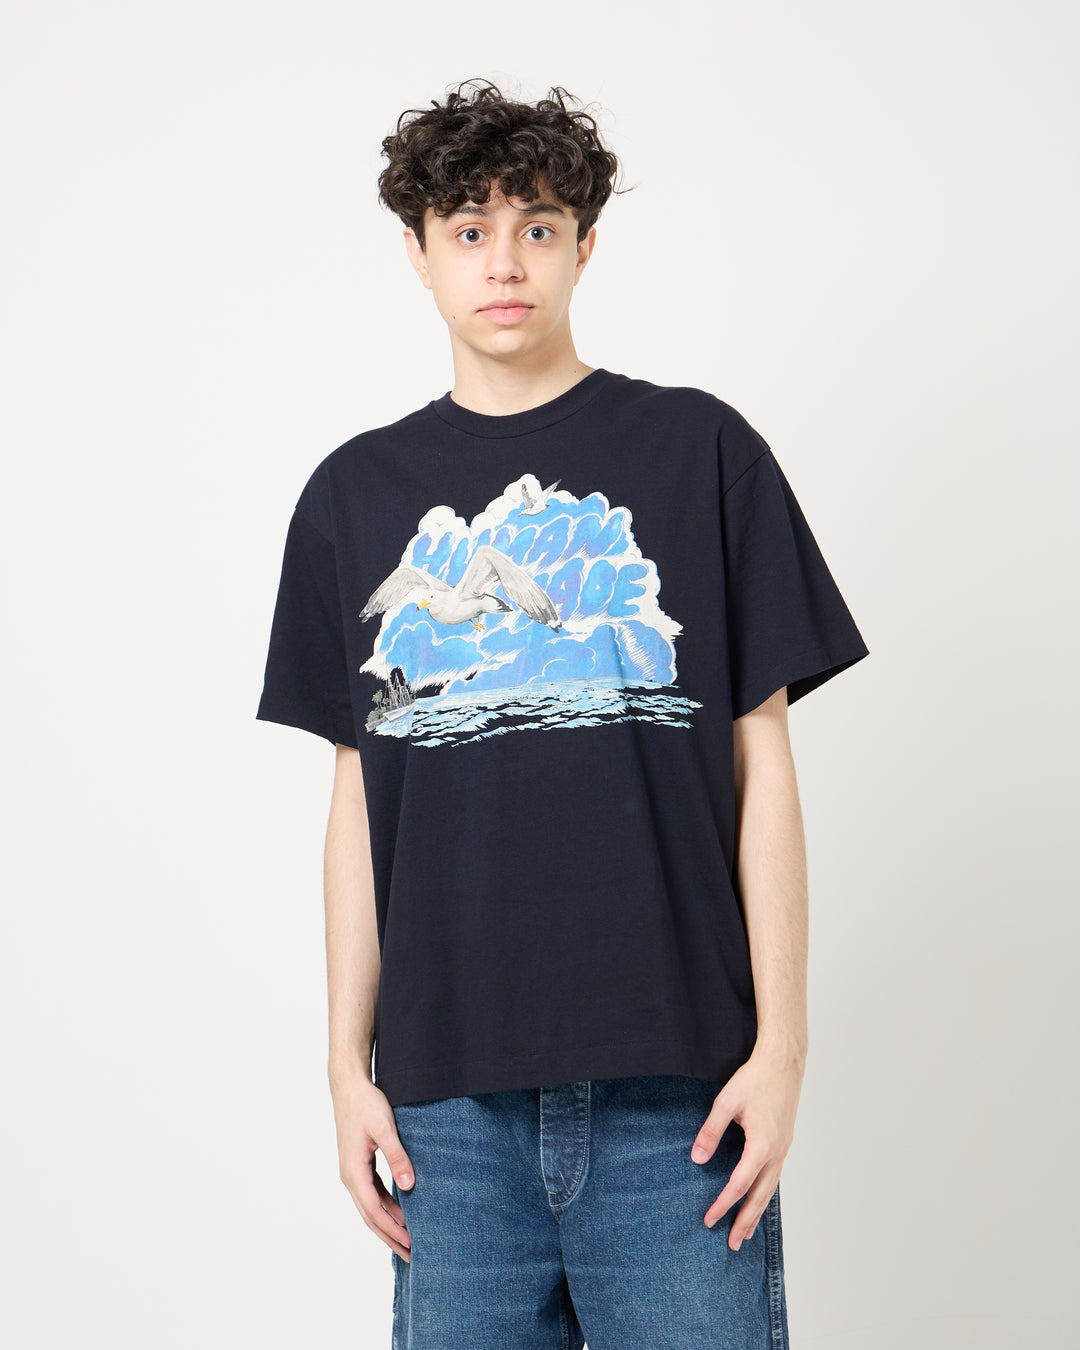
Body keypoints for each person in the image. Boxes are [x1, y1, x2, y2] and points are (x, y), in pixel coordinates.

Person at [255, 77, 869, 1350]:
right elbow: (356, 804)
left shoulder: (704, 452)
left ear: (585, 246)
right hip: (446, 1118)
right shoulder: (352, 494)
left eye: (537, 227)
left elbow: (763, 766)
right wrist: (342, 1068)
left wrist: (784, 1050)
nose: (505, 262)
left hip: (680, 1099)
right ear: (418, 253)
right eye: (469, 230)